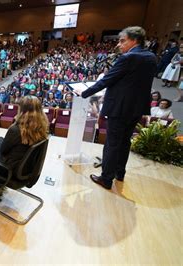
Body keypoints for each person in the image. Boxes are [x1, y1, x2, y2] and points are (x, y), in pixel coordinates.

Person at [80, 26, 157, 190]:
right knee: (124, 142)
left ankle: (106, 178)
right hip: (137, 108)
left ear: (134, 40)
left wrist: (83, 93)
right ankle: (119, 173)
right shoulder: (151, 57)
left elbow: (106, 80)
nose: (119, 45)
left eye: (123, 41)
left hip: (120, 108)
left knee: (112, 144)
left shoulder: (128, 58)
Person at [0, 96, 49, 174]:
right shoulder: (42, 127)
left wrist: (15, 122)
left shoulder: (16, 130)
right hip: (27, 168)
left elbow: (3, 151)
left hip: (11, 169)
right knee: (2, 141)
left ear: (22, 110)